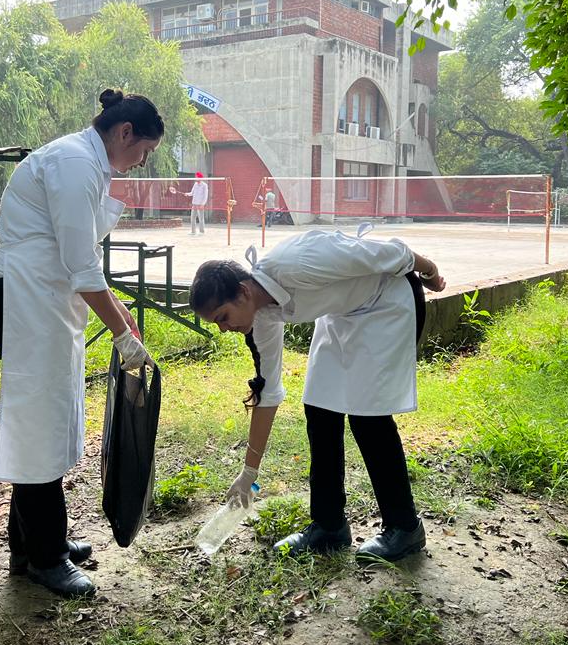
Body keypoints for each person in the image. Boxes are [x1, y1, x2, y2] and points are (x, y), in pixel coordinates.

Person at [0, 90, 163, 598]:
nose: (139, 163)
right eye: (143, 152)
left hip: (43, 308)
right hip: (25, 308)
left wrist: (120, 316)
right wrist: (122, 333)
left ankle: (33, 542)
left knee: (52, 424)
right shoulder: (76, 163)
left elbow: (82, 265)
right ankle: (45, 557)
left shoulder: (86, 163)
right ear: (125, 132)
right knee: (40, 431)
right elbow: (83, 267)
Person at [189, 229, 446, 563]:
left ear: (242, 292)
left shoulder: (298, 262)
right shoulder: (261, 316)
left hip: (387, 298)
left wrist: (430, 272)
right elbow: (268, 393)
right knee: (320, 407)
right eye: (216, 324)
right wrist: (248, 473)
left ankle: (404, 528)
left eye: (222, 317)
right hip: (343, 311)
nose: (224, 329)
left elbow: (390, 253)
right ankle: (329, 526)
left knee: (368, 417)